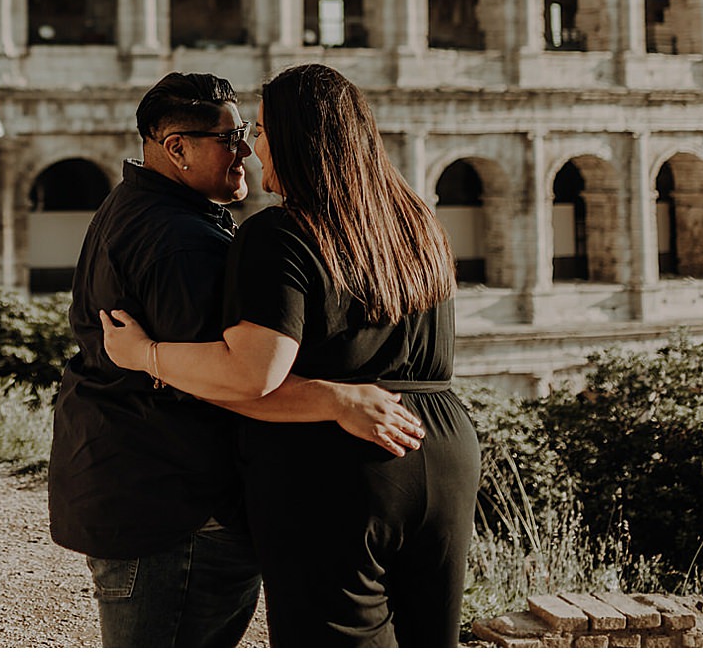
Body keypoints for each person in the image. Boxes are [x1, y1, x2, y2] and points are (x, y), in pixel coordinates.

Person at [101, 63, 479, 647]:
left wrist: (143, 352)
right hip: (444, 450)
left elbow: (252, 374)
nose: (252, 146)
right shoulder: (418, 221)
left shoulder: (279, 233)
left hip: (343, 464)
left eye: (260, 129)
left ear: (298, 140)